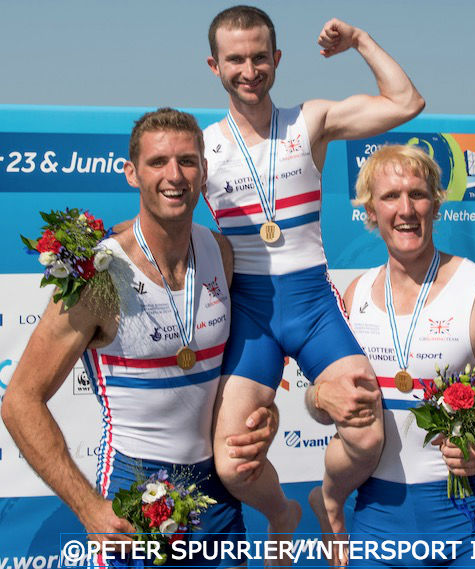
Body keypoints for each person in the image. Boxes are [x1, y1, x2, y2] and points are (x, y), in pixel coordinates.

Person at [1, 108, 279, 568]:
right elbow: (20, 400)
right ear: (132, 173)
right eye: (158, 162)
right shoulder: (98, 273)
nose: (175, 175)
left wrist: (261, 415)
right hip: (135, 496)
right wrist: (89, 508)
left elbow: (242, 367)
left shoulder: (221, 253)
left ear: (203, 170)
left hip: (218, 497)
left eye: (188, 161)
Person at [202, 4, 425, 560]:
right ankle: (283, 513)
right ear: (214, 66)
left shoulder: (311, 122)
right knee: (233, 464)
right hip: (249, 313)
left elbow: (406, 102)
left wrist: (360, 39)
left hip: (312, 305)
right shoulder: (201, 149)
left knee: (367, 433)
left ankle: (330, 498)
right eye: (236, 60)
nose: (249, 69)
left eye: (259, 57)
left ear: (276, 59)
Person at [307, 144, 475, 567]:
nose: (406, 209)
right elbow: (325, 404)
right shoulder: (356, 297)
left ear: (436, 204)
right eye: (390, 196)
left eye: (418, 194)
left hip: (469, 531)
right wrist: (318, 398)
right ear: (370, 211)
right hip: (376, 532)